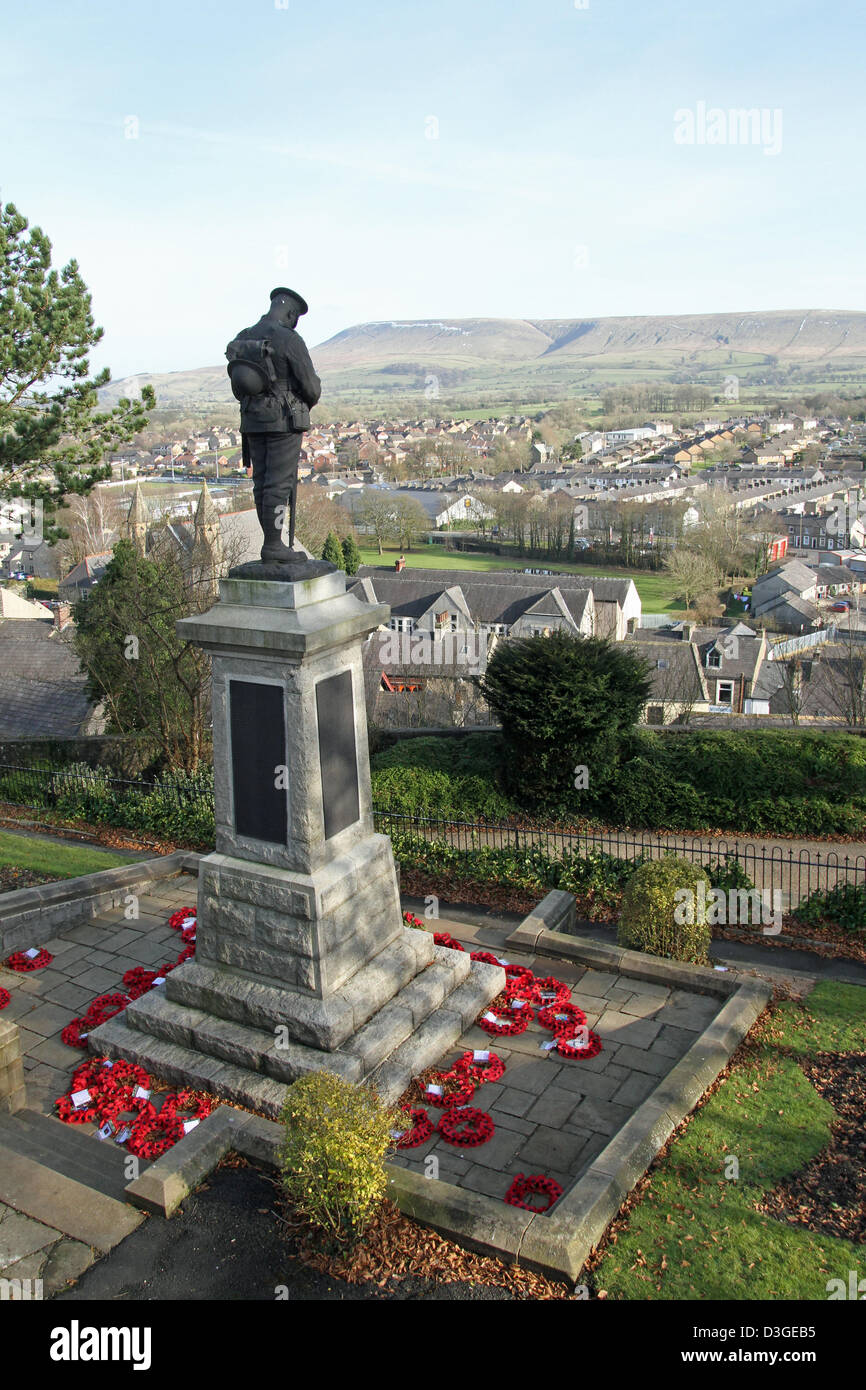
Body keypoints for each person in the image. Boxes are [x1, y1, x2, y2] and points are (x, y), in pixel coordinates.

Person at [226, 287, 321, 562]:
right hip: (283, 421)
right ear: (291, 314)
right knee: (279, 484)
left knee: (262, 482)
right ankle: (274, 545)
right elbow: (310, 387)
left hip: (253, 420)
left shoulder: (243, 336)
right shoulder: (289, 339)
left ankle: (272, 542)